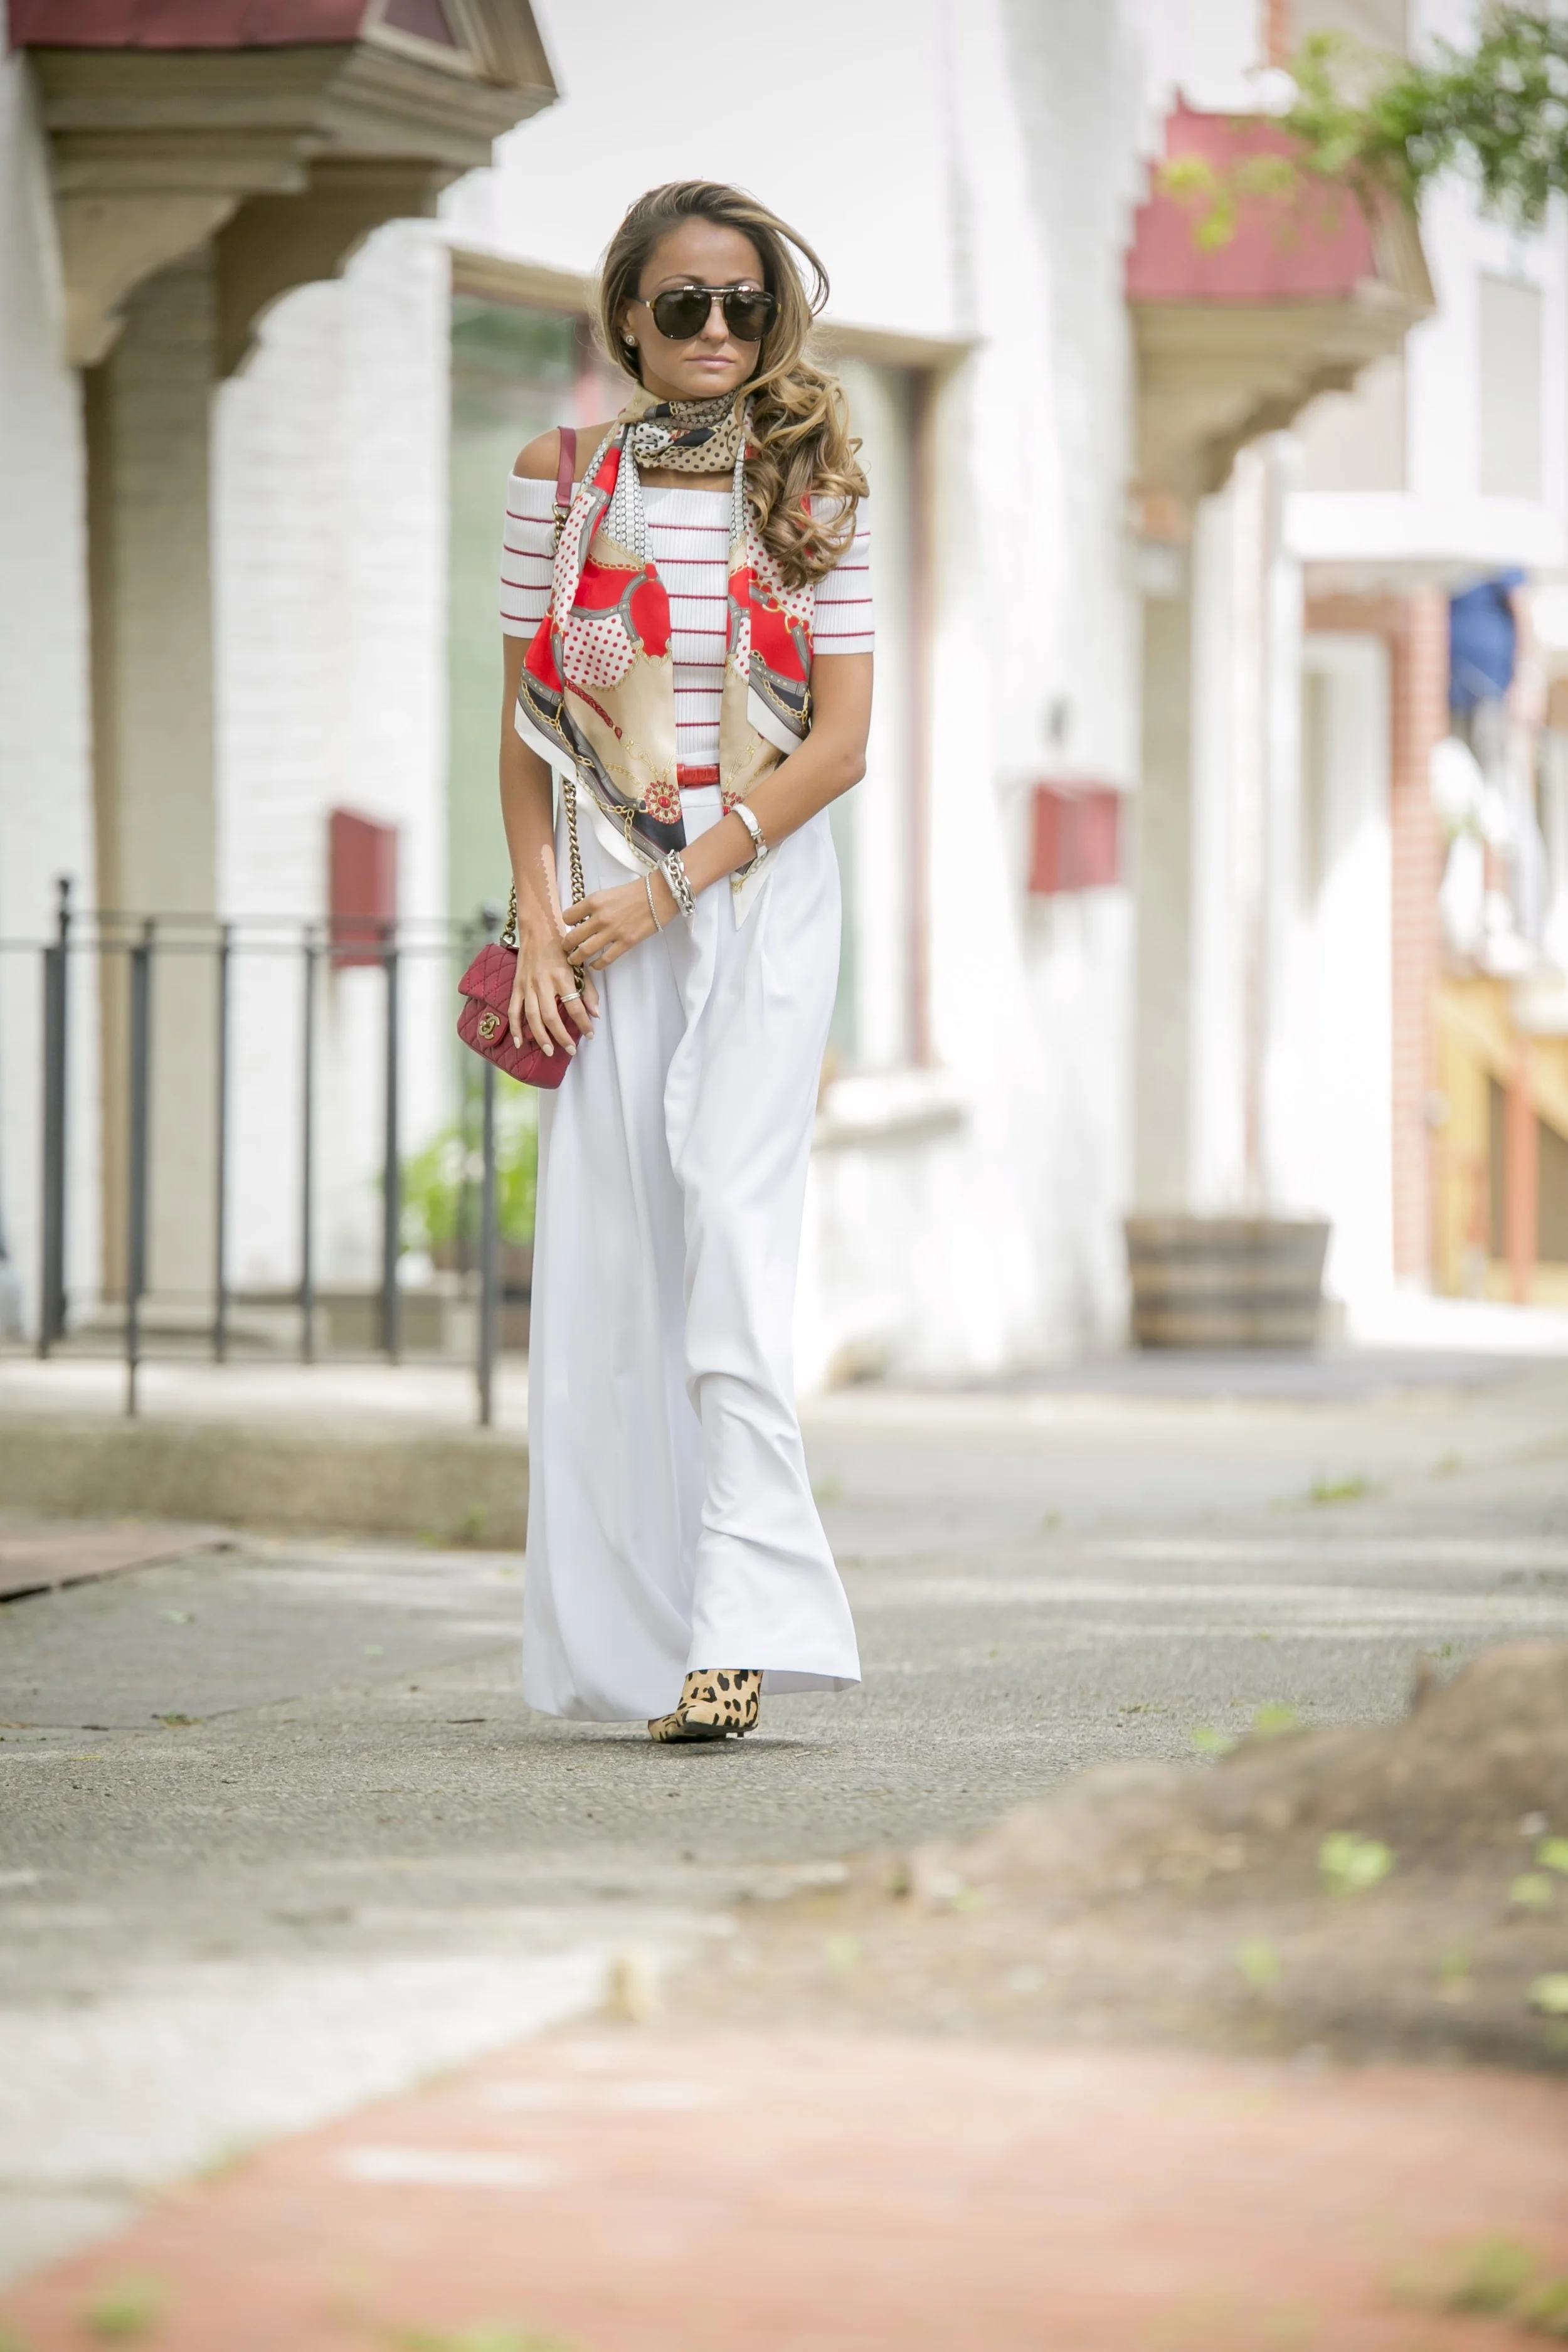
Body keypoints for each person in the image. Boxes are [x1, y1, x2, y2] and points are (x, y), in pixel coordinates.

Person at [496, 182, 872, 1743]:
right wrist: (537, 914)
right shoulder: (558, 477)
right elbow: (519, 722)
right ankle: (635, 1635)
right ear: (627, 318)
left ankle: (743, 1623)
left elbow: (838, 747)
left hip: (756, 887)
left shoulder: (818, 487)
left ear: (770, 315)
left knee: (726, 1225)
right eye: (680, 305)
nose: (713, 331)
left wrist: (683, 886)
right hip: (598, 891)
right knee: (609, 1258)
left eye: (741, 302)